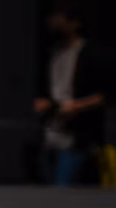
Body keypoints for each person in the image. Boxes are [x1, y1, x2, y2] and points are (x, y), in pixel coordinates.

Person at [34, 4, 109, 186]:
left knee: (63, 192)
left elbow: (105, 95)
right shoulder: (52, 54)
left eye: (59, 19)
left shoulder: (90, 54)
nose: (54, 24)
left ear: (73, 23)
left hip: (77, 138)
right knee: (46, 194)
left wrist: (78, 106)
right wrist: (44, 103)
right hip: (50, 134)